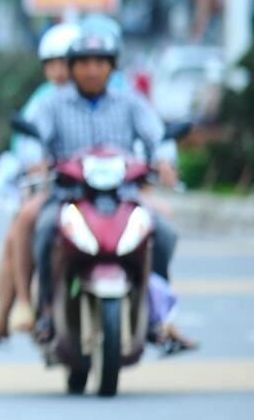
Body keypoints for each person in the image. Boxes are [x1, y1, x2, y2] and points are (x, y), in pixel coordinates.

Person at [27, 24, 191, 349]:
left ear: (111, 67)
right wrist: (36, 163)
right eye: (84, 62)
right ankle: (46, 310)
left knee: (163, 233)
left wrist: (165, 162)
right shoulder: (52, 105)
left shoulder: (130, 103)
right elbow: (34, 143)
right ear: (72, 67)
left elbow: (158, 138)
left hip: (122, 200)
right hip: (70, 199)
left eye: (100, 62)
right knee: (45, 229)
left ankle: (155, 312)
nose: (92, 70)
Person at [0, 22, 76, 345]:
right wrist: (37, 167)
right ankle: (13, 314)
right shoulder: (43, 103)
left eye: (65, 63)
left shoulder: (113, 96)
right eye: (52, 64)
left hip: (104, 189)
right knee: (21, 228)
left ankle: (159, 317)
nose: (60, 72)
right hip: (55, 188)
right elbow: (27, 147)